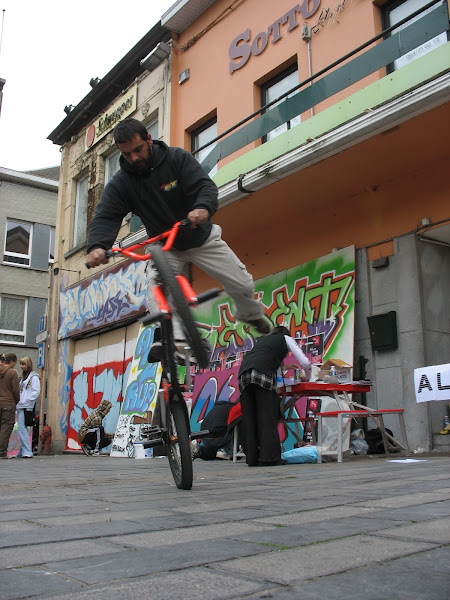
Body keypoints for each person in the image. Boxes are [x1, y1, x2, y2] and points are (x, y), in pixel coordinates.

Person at [85, 118, 271, 344]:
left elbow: (205, 186)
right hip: (165, 246)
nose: (134, 158)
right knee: (156, 289)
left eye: (138, 150)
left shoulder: (176, 159)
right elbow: (106, 214)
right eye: (126, 154)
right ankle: (175, 341)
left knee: (242, 284)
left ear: (149, 140)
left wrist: (202, 207)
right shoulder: (122, 183)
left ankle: (249, 314)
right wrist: (97, 246)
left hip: (200, 237)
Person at [238, 326, 312, 467]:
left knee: (250, 417)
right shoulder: (285, 338)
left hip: (244, 375)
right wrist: (308, 377)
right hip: (261, 375)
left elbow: (269, 364)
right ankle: (269, 458)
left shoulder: (263, 341)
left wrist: (284, 369)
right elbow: (305, 362)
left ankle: (253, 458)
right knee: (268, 416)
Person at [16, 357, 40, 458]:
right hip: (21, 405)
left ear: (28, 365)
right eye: (21, 364)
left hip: (26, 405)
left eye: (23, 364)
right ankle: (23, 450)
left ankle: (27, 451)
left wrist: (26, 400)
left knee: (22, 428)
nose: (21, 366)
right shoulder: (24, 377)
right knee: (22, 428)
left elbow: (35, 392)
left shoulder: (33, 377)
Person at [0, 353, 20, 459]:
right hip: (8, 403)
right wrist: (16, 400)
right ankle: (2, 453)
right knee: (6, 428)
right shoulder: (13, 373)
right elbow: (16, 390)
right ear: (12, 362)